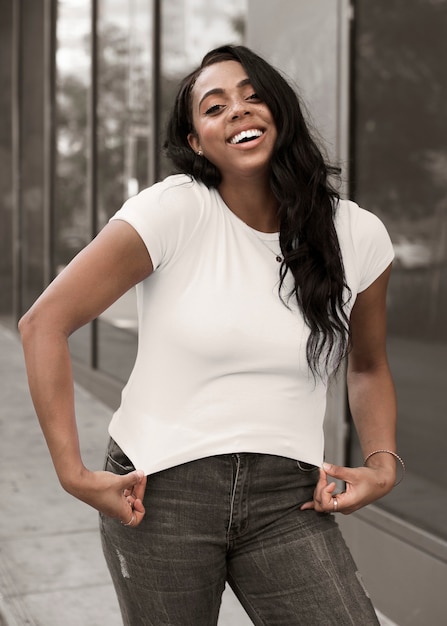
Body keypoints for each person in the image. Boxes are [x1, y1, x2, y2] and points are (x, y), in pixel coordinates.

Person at [19, 44, 403, 625]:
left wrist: (382, 462)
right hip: (161, 492)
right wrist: (72, 472)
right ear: (197, 141)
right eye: (215, 106)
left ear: (280, 110)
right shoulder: (175, 211)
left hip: (288, 496)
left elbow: (367, 365)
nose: (238, 112)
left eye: (252, 97)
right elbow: (43, 322)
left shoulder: (358, 234)